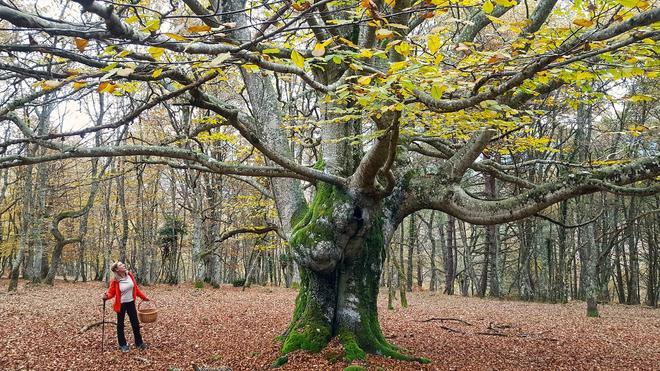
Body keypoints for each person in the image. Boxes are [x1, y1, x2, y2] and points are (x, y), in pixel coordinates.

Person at [102, 261, 150, 352]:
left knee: (135, 323)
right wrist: (106, 296)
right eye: (121, 265)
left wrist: (144, 297)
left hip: (131, 302)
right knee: (120, 325)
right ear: (117, 269)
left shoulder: (129, 275)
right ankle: (122, 344)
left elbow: (136, 289)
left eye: (123, 264)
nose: (123, 265)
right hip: (121, 304)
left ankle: (139, 343)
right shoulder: (115, 280)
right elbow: (111, 292)